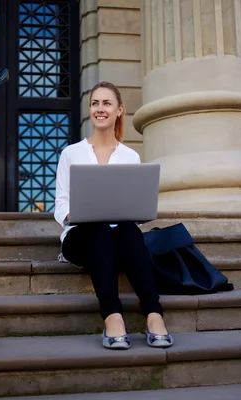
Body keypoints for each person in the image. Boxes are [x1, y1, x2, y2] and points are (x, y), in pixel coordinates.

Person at [54, 81, 173, 350]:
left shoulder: (130, 156)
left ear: (119, 110)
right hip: (80, 238)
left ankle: (154, 313)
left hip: (119, 240)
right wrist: (77, 213)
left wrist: (134, 212)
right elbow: (60, 203)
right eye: (95, 103)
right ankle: (112, 316)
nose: (100, 109)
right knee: (98, 228)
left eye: (106, 103)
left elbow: (136, 209)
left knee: (129, 230)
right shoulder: (70, 153)